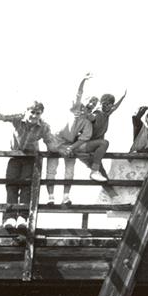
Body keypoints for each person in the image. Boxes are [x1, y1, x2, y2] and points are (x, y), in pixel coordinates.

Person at [0, 101, 60, 229]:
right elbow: (3, 117)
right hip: (15, 156)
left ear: (41, 114)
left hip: (31, 158)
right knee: (11, 186)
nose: (34, 116)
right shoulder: (18, 118)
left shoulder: (43, 126)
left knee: (26, 188)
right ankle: (9, 218)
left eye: (38, 113)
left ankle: (22, 218)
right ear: (26, 111)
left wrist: (61, 150)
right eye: (32, 112)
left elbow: (50, 142)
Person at [46, 75, 110, 204]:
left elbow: (83, 138)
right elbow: (78, 94)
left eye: (94, 103)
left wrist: (72, 147)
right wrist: (83, 80)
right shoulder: (75, 108)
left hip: (70, 144)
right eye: (91, 101)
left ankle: (66, 197)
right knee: (51, 169)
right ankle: (50, 197)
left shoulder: (87, 122)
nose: (91, 104)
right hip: (56, 142)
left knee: (69, 170)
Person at [98, 105, 148, 214]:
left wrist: (139, 153)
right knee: (117, 166)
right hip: (136, 160)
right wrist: (144, 108)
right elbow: (135, 117)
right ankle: (119, 200)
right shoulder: (141, 128)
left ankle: (134, 203)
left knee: (140, 186)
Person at [87, 89, 128, 181]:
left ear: (110, 106)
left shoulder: (107, 113)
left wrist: (122, 97)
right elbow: (91, 117)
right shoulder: (97, 113)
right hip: (90, 143)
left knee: (102, 173)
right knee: (99, 169)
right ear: (100, 103)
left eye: (108, 104)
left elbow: (115, 107)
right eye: (103, 104)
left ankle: (111, 192)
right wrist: (86, 112)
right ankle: (95, 173)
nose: (105, 106)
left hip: (98, 146)